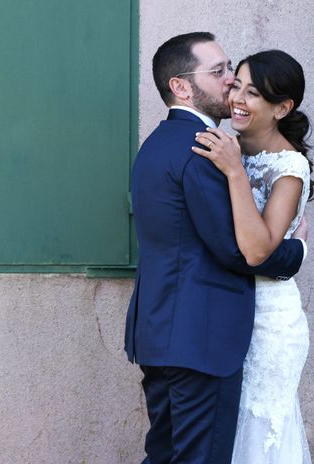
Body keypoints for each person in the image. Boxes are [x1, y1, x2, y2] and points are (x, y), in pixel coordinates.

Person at [124, 32, 307, 463]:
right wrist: (296, 253)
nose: (230, 82)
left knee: (167, 454)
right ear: (181, 87)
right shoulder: (200, 151)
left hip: (163, 333)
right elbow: (238, 250)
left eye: (232, 70)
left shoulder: (157, 145)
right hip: (200, 338)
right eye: (221, 71)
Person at [193, 49, 312, 463]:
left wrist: (235, 172)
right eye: (237, 86)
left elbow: (259, 249)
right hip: (225, 310)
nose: (238, 100)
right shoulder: (228, 146)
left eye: (254, 93)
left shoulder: (291, 167)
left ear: (282, 107)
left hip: (271, 326)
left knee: (258, 429)